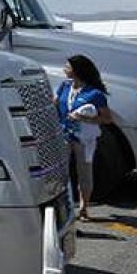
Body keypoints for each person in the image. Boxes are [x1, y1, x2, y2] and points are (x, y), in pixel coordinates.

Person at [55, 55, 112, 221]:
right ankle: (64, 206)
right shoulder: (64, 86)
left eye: (68, 66)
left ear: (77, 70)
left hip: (84, 137)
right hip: (64, 133)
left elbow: (107, 119)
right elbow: (56, 104)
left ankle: (84, 207)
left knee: (84, 171)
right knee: (61, 172)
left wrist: (85, 118)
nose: (64, 69)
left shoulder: (95, 94)